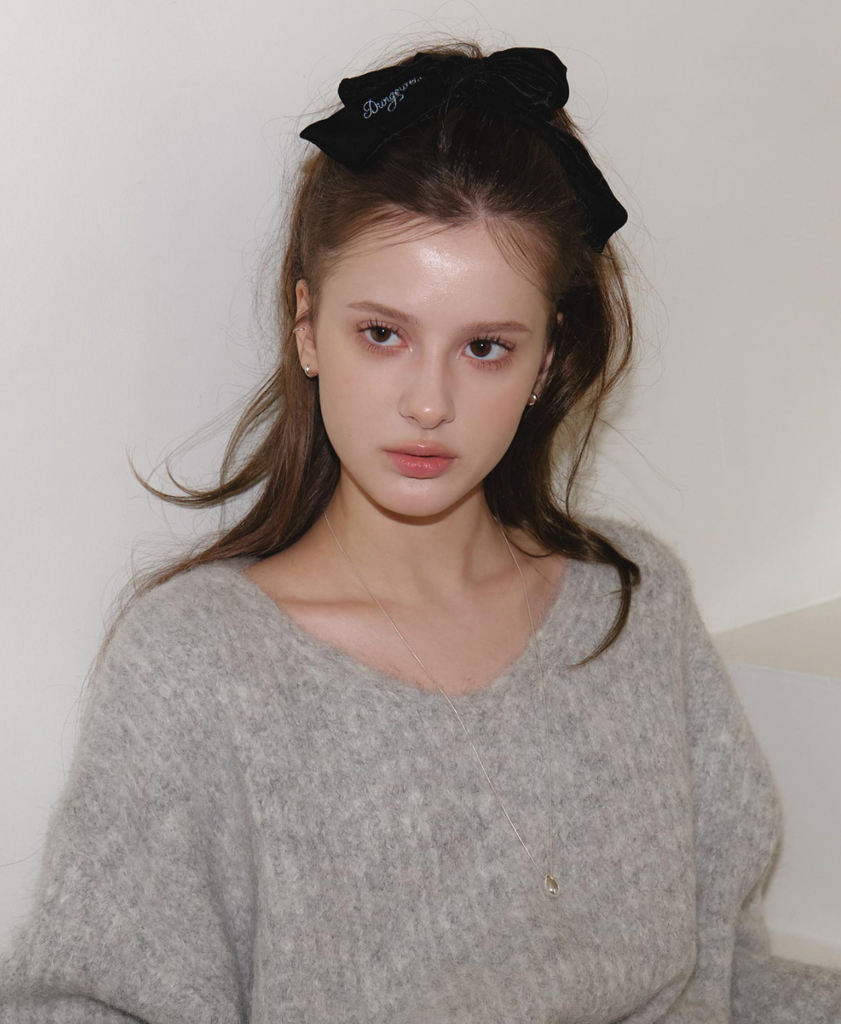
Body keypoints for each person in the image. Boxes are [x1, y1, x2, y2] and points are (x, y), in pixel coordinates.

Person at [1, 39, 839, 1024]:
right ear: (307, 327)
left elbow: (732, 980)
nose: (428, 403)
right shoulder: (198, 667)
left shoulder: (635, 606)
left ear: (544, 362)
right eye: (383, 334)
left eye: (484, 347)